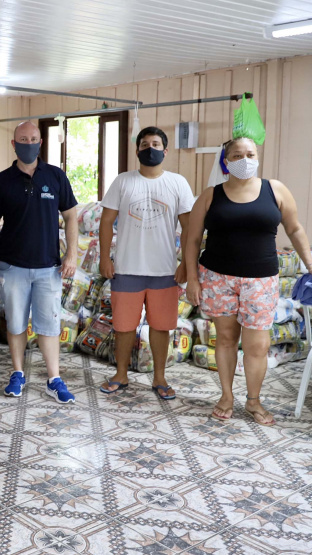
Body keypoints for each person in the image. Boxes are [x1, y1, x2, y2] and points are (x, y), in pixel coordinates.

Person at [184, 136, 312, 426]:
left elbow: (294, 228)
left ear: (258, 157)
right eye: (237, 155)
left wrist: (310, 263)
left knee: (257, 346)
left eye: (250, 154)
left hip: (261, 280)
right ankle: (226, 396)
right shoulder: (211, 195)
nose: (245, 159)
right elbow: (191, 240)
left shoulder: (274, 190)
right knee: (225, 339)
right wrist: (192, 279)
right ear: (226, 162)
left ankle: (253, 401)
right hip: (217, 278)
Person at [0, 121, 79, 403]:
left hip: (49, 267)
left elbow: (71, 216)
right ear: (14, 144)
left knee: (48, 324)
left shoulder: (56, 176)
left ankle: (54, 378)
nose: (29, 143)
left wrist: (71, 254)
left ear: (40, 143)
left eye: (34, 139)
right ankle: (17, 373)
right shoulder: (1, 181)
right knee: (15, 323)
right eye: (23, 139)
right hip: (11, 266)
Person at [98, 127, 194, 400]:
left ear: (165, 150)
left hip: (164, 271)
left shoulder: (178, 183)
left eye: (155, 144)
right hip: (126, 268)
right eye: (144, 144)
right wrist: (106, 258)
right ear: (137, 150)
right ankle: (121, 374)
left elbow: (189, 228)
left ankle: (160, 378)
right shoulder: (123, 181)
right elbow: (106, 222)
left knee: (161, 326)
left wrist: (185, 264)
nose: (149, 148)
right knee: (124, 326)